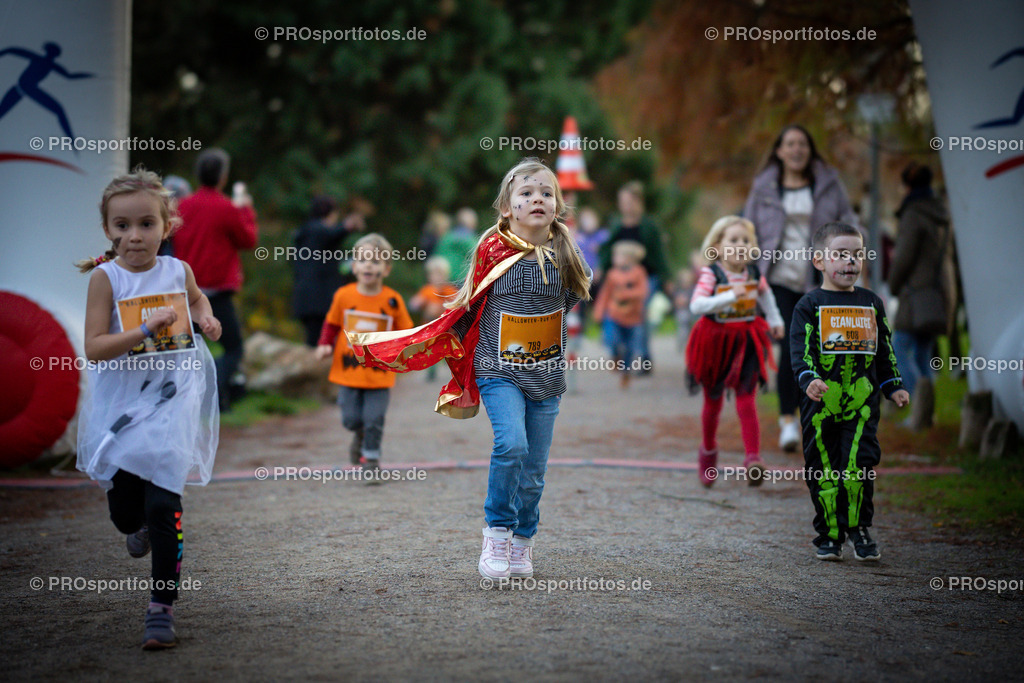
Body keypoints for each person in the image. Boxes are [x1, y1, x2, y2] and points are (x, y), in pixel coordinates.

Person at [346, 158, 592, 581]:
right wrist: (421, 342)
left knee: (533, 470)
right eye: (527, 193)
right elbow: (470, 305)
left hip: (546, 377)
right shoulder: (491, 250)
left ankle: (522, 541)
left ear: (557, 205)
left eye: (546, 193)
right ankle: (496, 532)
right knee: (511, 445)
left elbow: (571, 300)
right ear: (507, 207)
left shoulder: (566, 253)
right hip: (498, 370)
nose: (537, 199)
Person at [75, 168, 221, 649]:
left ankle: (161, 608)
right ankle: (133, 528)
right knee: (125, 512)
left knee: (164, 504)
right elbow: (94, 348)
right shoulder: (106, 278)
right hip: (121, 403)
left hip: (171, 397)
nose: (134, 236)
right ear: (108, 230)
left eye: (145, 225)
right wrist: (144, 330)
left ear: (166, 226)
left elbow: (197, 301)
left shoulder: (177, 271)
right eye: (122, 226)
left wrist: (207, 317)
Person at [791, 222, 909, 561]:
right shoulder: (808, 305)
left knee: (858, 465)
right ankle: (829, 533)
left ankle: (858, 528)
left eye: (857, 255)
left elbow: (884, 351)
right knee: (823, 467)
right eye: (840, 255)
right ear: (819, 261)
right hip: (821, 402)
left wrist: (893, 386)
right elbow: (800, 352)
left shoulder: (872, 303)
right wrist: (809, 378)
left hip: (862, 402)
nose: (850, 262)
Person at [744, 125, 858, 453]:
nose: (796, 150)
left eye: (802, 144)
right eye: (790, 144)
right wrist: (748, 268)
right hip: (776, 278)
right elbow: (749, 229)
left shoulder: (828, 183)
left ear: (809, 150)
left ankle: (820, 421)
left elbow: (848, 220)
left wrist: (851, 249)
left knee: (823, 350)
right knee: (791, 350)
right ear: (779, 150)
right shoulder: (764, 186)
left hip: (818, 279)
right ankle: (787, 423)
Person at [686, 217, 784, 487]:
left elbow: (766, 296)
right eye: (733, 240)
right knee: (713, 402)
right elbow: (697, 306)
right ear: (717, 246)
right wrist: (730, 296)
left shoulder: (753, 273)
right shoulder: (712, 274)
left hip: (746, 340)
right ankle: (707, 454)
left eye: (745, 241)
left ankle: (753, 459)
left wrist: (775, 321)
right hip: (714, 343)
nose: (740, 245)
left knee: (746, 397)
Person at [315, 233, 413, 480]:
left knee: (375, 418)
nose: (369, 265)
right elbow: (331, 323)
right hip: (348, 371)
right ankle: (358, 437)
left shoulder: (392, 300)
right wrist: (324, 344)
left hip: (379, 373)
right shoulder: (344, 296)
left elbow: (406, 332)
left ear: (386, 268)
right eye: (363, 259)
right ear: (354, 265)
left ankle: (371, 460)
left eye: (376, 261)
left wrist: (407, 350)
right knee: (350, 420)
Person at [172, 148, 258, 411]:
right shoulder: (227, 208)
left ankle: (184, 401)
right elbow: (248, 240)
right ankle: (214, 394)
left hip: (185, 290)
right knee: (233, 349)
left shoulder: (182, 206)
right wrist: (245, 209)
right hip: (217, 291)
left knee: (184, 352)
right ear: (223, 177)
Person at [887, 162, 953, 430]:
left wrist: (893, 284)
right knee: (923, 352)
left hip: (917, 293)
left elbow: (903, 257)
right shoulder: (941, 213)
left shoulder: (913, 214)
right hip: (940, 291)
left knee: (898, 346)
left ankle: (918, 407)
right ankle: (929, 414)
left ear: (907, 186)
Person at [598, 181, 672, 371]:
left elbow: (659, 253)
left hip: (646, 276)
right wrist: (600, 268)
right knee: (616, 312)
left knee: (640, 315)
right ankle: (620, 351)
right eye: (622, 201)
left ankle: (644, 359)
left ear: (638, 202)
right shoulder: (616, 223)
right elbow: (607, 249)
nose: (625, 206)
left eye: (629, 201)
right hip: (619, 278)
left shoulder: (649, 225)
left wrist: (667, 277)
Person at [292, 195, 362, 347]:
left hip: (306, 300)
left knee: (315, 342)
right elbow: (333, 233)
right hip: (318, 302)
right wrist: (348, 225)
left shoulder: (304, 233)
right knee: (319, 344)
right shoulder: (316, 231)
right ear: (330, 214)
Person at [592, 240, 649, 388]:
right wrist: (599, 311)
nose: (613, 259)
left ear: (628, 258)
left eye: (616, 256)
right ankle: (616, 356)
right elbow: (605, 294)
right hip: (614, 314)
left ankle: (626, 372)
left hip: (633, 317)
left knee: (631, 347)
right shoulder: (612, 274)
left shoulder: (639, 272)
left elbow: (642, 292)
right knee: (611, 339)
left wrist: (626, 294)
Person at [434, 206, 478, 284]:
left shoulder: (446, 238)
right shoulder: (472, 241)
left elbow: (437, 258)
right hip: (464, 280)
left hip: (444, 280)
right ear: (472, 223)